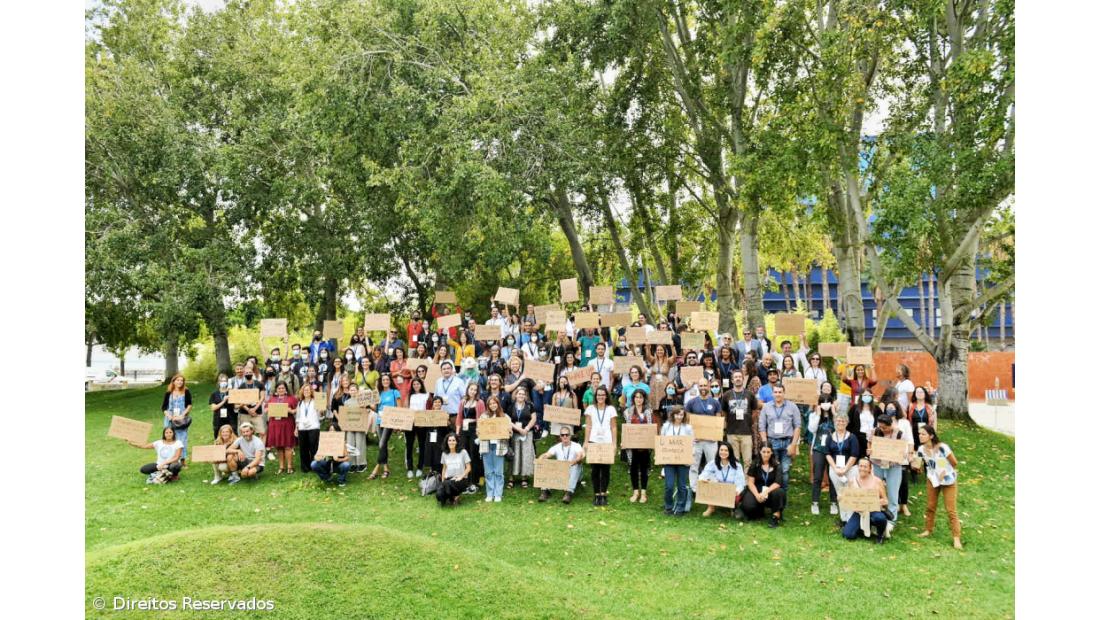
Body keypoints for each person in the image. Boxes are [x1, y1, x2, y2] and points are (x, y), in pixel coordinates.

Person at [915, 425, 963, 549]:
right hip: (932, 480)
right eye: (919, 434)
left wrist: (943, 470)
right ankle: (928, 530)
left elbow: (954, 463)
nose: (920, 436)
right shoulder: (920, 449)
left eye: (923, 434)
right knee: (930, 507)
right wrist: (915, 465)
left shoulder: (943, 448)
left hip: (948, 481)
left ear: (931, 436)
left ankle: (956, 538)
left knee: (951, 510)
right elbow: (918, 465)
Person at [757, 384, 800, 490]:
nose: (778, 394)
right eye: (775, 392)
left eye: (780, 392)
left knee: (784, 470)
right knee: (772, 468)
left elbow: (797, 426)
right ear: (772, 393)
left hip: (787, 442)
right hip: (772, 442)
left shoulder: (792, 406)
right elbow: (761, 426)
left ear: (784, 393)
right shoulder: (766, 407)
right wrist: (765, 444)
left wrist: (793, 444)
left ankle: (783, 493)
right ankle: (771, 493)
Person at [870, 413, 907, 538]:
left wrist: (898, 455)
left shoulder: (900, 434)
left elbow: (903, 451)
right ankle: (876, 516)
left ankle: (891, 520)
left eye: (884, 427)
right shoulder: (875, 431)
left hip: (893, 466)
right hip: (877, 464)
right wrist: (869, 450)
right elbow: (869, 444)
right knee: (875, 491)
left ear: (890, 425)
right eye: (880, 427)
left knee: (892, 492)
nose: (882, 429)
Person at [686, 378, 723, 498]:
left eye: (705, 385)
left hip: (711, 440)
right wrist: (691, 436)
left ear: (709, 386)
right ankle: (694, 489)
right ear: (698, 387)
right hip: (696, 440)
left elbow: (718, 421)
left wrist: (715, 435)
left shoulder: (715, 402)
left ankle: (712, 488)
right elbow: (688, 421)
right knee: (694, 464)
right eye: (700, 385)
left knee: (712, 464)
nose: (703, 388)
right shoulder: (691, 403)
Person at [841, 458, 890, 543]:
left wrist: (872, 502)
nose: (862, 468)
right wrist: (842, 498)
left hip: (874, 510)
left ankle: (880, 535)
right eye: (861, 466)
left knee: (880, 518)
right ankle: (864, 527)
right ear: (858, 467)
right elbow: (849, 499)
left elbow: (886, 501)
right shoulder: (852, 481)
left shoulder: (877, 481)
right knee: (848, 535)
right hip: (859, 512)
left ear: (870, 469)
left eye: (865, 467)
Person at [584, 386, 618, 506]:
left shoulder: (611, 409)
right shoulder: (590, 409)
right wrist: (586, 442)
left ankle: (603, 494)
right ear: (595, 396)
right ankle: (596, 495)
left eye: (603, 395)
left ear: (606, 396)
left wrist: (614, 443)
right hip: (594, 441)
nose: (600, 397)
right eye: (598, 395)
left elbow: (613, 427)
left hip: (607, 442)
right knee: (595, 470)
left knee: (605, 470)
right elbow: (588, 426)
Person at [808, 384, 838, 515]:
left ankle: (833, 502)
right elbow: (812, 429)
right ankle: (815, 502)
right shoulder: (814, 416)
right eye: (823, 402)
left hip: (833, 450)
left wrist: (834, 413)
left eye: (828, 402)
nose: (825, 404)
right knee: (818, 476)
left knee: (833, 477)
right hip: (819, 449)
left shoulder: (834, 416)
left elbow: (840, 429)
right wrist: (817, 414)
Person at [826, 413, 860, 522]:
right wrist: (835, 468)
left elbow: (854, 455)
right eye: (838, 421)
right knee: (840, 493)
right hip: (835, 469)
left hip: (850, 469)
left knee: (849, 493)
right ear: (834, 422)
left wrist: (845, 469)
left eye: (843, 421)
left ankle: (850, 519)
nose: (840, 423)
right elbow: (827, 454)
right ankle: (843, 518)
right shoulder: (830, 436)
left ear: (847, 423)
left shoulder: (852, 437)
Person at [721, 369, 758, 469]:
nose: (738, 379)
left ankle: (746, 483)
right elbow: (723, 412)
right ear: (732, 380)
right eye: (735, 377)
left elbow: (755, 411)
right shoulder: (726, 395)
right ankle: (736, 482)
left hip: (746, 431)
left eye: (740, 377)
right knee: (734, 459)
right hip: (731, 432)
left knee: (747, 460)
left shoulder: (750, 394)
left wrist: (749, 421)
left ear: (743, 379)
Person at [537, 426, 586, 503]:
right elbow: (547, 454)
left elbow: (580, 455)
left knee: (577, 465)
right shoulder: (556, 447)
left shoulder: (576, 446)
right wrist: (540, 459)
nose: (565, 436)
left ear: (570, 435)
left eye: (567, 434)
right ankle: (545, 491)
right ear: (560, 436)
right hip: (561, 472)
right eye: (562, 435)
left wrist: (574, 462)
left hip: (573, 471)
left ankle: (569, 492)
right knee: (547, 463)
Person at [368, 373, 402, 480]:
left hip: (389, 421)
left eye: (387, 380)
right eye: (383, 380)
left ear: (390, 381)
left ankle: (376, 468)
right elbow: (376, 409)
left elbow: (399, 408)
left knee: (382, 443)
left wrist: (398, 423)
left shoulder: (394, 392)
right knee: (382, 444)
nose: (385, 381)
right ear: (381, 382)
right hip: (379, 420)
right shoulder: (379, 393)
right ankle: (386, 469)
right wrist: (368, 405)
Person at [742, 445, 786, 528]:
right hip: (757, 491)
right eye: (764, 452)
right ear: (760, 452)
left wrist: (765, 492)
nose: (766, 454)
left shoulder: (777, 465)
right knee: (748, 507)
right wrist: (757, 495)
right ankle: (759, 510)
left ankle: (776, 516)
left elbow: (777, 483)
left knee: (779, 492)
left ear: (772, 452)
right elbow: (750, 483)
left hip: (771, 492)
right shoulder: (755, 464)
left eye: (768, 452)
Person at [699, 441, 746, 517]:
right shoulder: (713, 463)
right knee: (707, 483)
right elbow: (703, 475)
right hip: (718, 489)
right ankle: (711, 507)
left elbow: (741, 483)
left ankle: (733, 508)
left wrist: (736, 491)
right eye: (721, 450)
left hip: (731, 490)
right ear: (718, 451)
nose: (723, 452)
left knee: (737, 496)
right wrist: (703, 479)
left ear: (730, 452)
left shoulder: (737, 465)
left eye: (726, 450)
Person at [661, 407, 693, 516]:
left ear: (684, 416)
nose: (679, 417)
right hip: (669, 461)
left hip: (683, 461)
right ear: (673, 415)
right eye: (677, 414)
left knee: (681, 485)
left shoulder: (688, 428)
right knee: (669, 485)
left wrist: (689, 457)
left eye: (681, 415)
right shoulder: (666, 426)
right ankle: (668, 506)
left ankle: (680, 507)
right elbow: (662, 442)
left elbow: (691, 444)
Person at [479, 396, 511, 502]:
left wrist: (508, 431)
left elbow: (509, 433)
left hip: (499, 447)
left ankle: (498, 494)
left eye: (494, 403)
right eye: (490, 404)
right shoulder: (483, 417)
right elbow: (478, 431)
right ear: (488, 405)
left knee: (498, 472)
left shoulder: (504, 417)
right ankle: (490, 493)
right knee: (488, 472)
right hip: (486, 446)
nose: (493, 405)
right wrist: (479, 431)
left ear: (498, 404)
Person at [624, 389, 654, 503]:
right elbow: (626, 429)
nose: (638, 399)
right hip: (633, 446)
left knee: (644, 468)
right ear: (633, 399)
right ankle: (635, 491)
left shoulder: (648, 412)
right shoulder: (628, 412)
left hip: (645, 446)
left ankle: (644, 493)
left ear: (644, 399)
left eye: (640, 397)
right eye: (636, 397)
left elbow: (651, 428)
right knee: (633, 469)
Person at [457, 381, 486, 494]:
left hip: (474, 429)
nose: (473, 391)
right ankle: (465, 480)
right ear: (467, 389)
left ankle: (474, 482)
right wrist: (457, 432)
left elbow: (482, 418)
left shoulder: (480, 403)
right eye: (471, 389)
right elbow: (459, 417)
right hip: (464, 430)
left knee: (474, 455)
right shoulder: (462, 402)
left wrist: (480, 432)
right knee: (464, 454)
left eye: (475, 390)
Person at [265, 381, 297, 474]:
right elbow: (266, 410)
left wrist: (290, 410)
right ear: (276, 390)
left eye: (283, 388)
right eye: (279, 388)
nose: (281, 390)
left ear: (286, 389)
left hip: (287, 424)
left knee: (288, 446)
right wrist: (272, 408)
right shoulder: (272, 399)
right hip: (275, 424)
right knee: (279, 446)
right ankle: (281, 467)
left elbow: (296, 410)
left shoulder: (292, 399)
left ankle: (290, 467)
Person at [160, 374, 193, 466]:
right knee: (169, 439)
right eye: (178, 380)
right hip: (170, 419)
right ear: (173, 381)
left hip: (181, 420)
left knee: (182, 440)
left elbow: (189, 405)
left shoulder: (186, 391)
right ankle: (170, 460)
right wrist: (169, 416)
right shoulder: (168, 393)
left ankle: (182, 461)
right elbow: (163, 408)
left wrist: (182, 415)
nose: (180, 382)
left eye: (181, 380)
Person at [508, 386, 537, 489]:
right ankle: (511, 477)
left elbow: (534, 418)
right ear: (516, 395)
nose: (521, 395)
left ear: (525, 396)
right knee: (514, 455)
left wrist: (527, 429)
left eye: (523, 394)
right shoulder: (511, 406)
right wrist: (519, 429)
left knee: (525, 454)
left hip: (527, 433)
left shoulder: (530, 405)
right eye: (519, 393)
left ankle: (524, 477)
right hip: (514, 434)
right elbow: (508, 420)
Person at [437, 433, 472, 506]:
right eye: (449, 440)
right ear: (447, 442)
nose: (451, 442)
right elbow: (444, 469)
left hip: (460, 479)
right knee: (439, 495)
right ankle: (452, 497)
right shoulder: (444, 453)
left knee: (448, 484)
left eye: (453, 440)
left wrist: (460, 477)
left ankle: (454, 496)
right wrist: (443, 482)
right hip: (448, 479)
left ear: (457, 442)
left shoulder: (463, 452)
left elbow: (469, 468)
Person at [295, 384, 322, 473]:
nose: (306, 391)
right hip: (302, 428)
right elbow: (298, 417)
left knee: (314, 448)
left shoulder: (316, 401)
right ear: (302, 392)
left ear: (311, 391)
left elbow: (320, 415)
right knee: (303, 449)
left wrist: (321, 410)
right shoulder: (300, 403)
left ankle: (314, 466)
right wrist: (296, 428)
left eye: (308, 390)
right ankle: (305, 468)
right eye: (304, 390)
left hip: (313, 427)